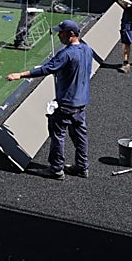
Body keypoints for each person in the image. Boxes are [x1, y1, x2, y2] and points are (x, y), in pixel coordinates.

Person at [6, 19, 92, 179]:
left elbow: (46, 69)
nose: (59, 35)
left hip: (66, 103)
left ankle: (56, 169)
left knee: (58, 135)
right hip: (81, 102)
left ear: (71, 34)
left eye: (62, 32)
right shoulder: (87, 49)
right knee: (80, 135)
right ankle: (82, 166)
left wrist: (20, 75)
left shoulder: (66, 54)